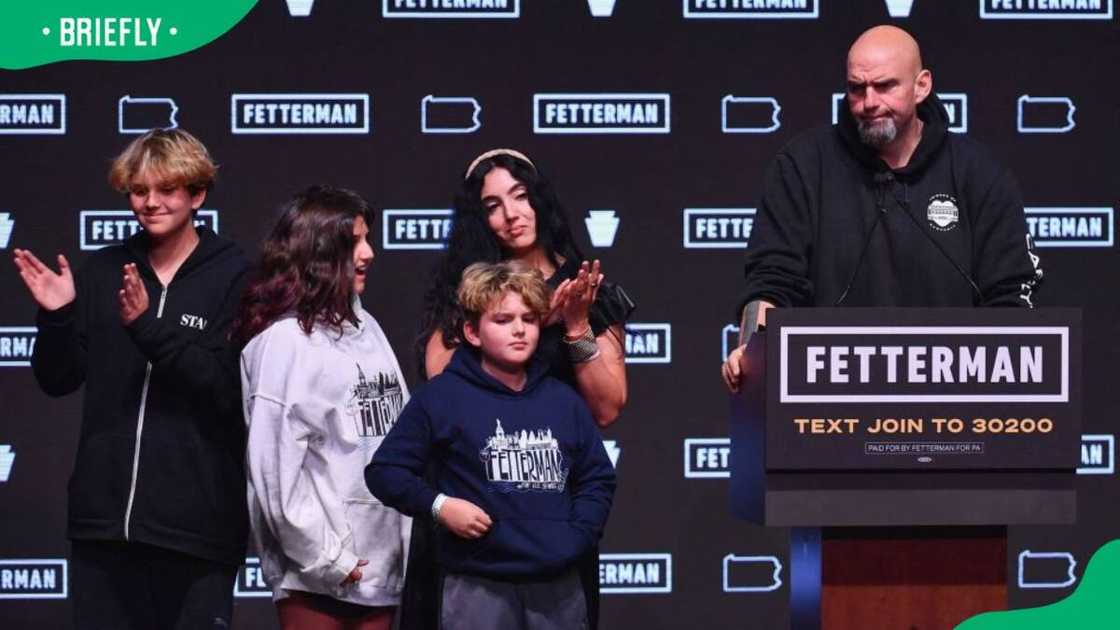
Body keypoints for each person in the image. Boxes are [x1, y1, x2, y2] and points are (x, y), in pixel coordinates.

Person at [12, 128, 249, 629]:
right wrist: (57, 316)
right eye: (139, 191)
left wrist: (147, 328)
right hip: (103, 528)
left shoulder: (237, 276)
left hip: (198, 530)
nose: (151, 202)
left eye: (167, 189)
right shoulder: (103, 270)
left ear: (197, 195)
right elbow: (58, 379)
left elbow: (227, 388)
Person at [722, 25, 1043, 392]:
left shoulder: (979, 172)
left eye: (885, 86)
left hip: (954, 398)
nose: (869, 102)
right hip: (827, 398)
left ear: (922, 86)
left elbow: (1011, 294)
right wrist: (752, 349)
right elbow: (772, 281)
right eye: (856, 89)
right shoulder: (803, 166)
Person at [367, 261, 616, 630]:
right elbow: (385, 472)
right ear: (472, 332)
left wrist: (578, 535)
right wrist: (440, 505)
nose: (519, 330)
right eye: (503, 320)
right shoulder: (441, 397)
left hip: (558, 586)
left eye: (529, 319)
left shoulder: (563, 400)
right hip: (476, 584)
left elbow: (598, 477)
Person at [233, 186, 411, 630]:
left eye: (367, 239)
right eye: (354, 243)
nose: (369, 253)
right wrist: (329, 558)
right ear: (318, 253)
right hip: (317, 575)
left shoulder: (368, 326)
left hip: (381, 563)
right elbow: (275, 474)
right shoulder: (285, 342)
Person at [422, 148, 633, 427]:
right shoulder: (465, 290)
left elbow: (606, 410)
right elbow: (440, 385)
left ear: (539, 200)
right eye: (492, 207)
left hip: (562, 448)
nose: (511, 214)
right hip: (482, 446)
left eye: (520, 196)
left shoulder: (583, 290)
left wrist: (577, 327)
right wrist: (536, 322)